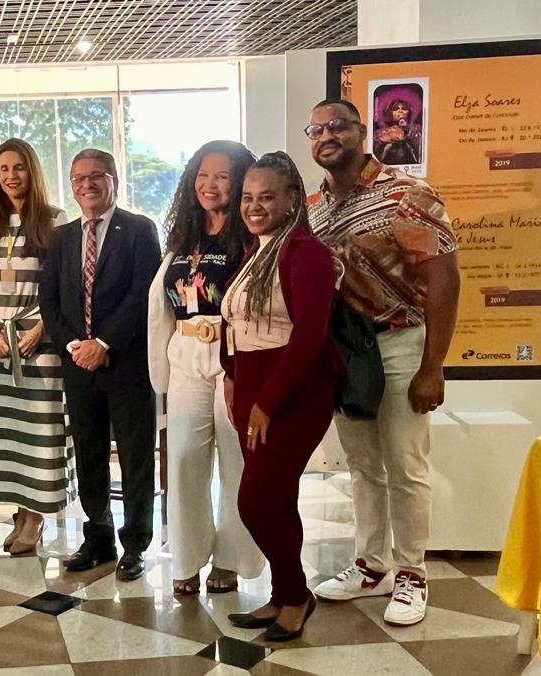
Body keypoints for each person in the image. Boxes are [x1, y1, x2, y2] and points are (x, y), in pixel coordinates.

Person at [306, 99, 460, 627]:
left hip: (398, 344)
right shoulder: (314, 207)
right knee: (363, 465)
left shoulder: (406, 195)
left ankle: (412, 573)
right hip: (346, 352)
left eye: (337, 126)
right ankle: (372, 565)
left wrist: (433, 366)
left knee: (406, 465)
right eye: (316, 129)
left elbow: (444, 279)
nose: (326, 135)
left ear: (362, 131)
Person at [220, 152, 342, 641]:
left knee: (255, 502)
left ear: (293, 199)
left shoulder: (305, 252)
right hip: (251, 387)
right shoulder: (258, 250)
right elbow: (235, 321)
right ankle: (281, 594)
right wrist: (232, 376)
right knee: (278, 500)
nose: (254, 206)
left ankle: (296, 594)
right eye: (247, 197)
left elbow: (310, 335)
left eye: (266, 197)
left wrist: (266, 402)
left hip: (293, 393)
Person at [147, 140, 264, 595]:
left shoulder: (251, 235)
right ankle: (187, 556)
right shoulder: (184, 235)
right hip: (185, 354)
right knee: (183, 458)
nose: (210, 184)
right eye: (202, 174)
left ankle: (231, 559)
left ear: (241, 182)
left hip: (234, 355)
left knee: (236, 459)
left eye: (222, 176)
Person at [40, 148, 161, 580]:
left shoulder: (139, 229)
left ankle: (136, 543)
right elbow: (49, 300)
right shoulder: (61, 237)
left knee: (134, 455)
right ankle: (98, 538)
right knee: (88, 452)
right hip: (78, 365)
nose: (87, 184)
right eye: (78, 178)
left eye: (96, 176)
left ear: (114, 180)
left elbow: (143, 294)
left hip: (126, 363)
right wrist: (76, 345)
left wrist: (105, 343)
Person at [0, 139, 73, 556]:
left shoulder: (54, 218)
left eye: (19, 167)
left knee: (40, 430)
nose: (11, 176)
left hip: (40, 342)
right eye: (4, 169)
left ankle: (37, 515)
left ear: (32, 171)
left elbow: (61, 282)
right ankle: (20, 512)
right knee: (9, 432)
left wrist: (41, 329)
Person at [373, 98, 423, 166]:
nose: (400, 111)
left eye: (404, 108)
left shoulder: (416, 129)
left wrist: (406, 128)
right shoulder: (381, 132)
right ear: (390, 113)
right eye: (396, 109)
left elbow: (420, 149)